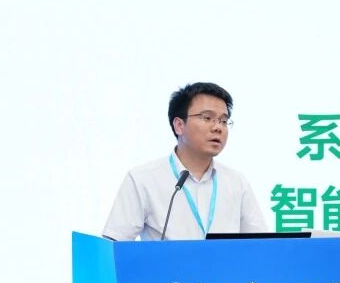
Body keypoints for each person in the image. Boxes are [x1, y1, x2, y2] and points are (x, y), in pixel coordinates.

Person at [102, 82, 268, 241]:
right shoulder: (142, 179)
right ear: (179, 125)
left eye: (224, 121)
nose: (218, 127)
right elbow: (113, 244)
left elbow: (262, 245)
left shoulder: (237, 183)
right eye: (207, 118)